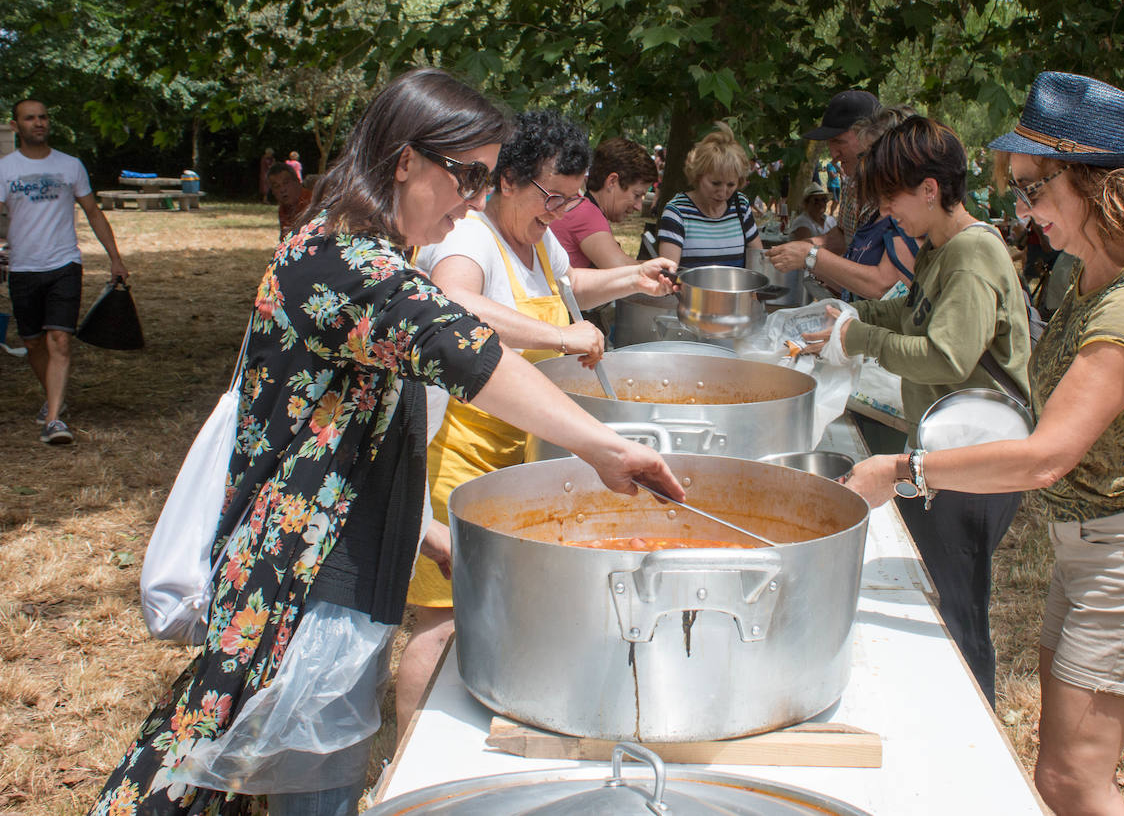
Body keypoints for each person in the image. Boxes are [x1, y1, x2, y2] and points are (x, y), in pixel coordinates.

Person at [90, 71, 683, 816]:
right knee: (222, 786)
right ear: (406, 160)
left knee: (247, 781)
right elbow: (463, 348)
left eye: (485, 180)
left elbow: (351, 434)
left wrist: (424, 531)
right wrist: (606, 448)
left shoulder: (367, 255)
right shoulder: (343, 262)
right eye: (467, 177)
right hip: (303, 585)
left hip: (335, 565)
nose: (473, 200)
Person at [845, 72, 1124, 815]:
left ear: (1093, 182)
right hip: (1094, 545)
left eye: (1034, 190)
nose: (1023, 210)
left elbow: (1047, 453)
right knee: (1059, 771)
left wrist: (904, 467)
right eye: (1018, 191)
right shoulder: (1093, 272)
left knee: (1072, 780)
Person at [395, 111, 677, 733]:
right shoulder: (467, 237)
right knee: (441, 621)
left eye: (574, 198)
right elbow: (454, 306)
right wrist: (557, 335)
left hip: (511, 453)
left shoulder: (538, 237)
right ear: (507, 180)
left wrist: (633, 276)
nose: (562, 210)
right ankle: (408, 759)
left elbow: (569, 283)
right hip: (453, 453)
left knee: (487, 609)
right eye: (553, 196)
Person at [804, 114, 1030, 705]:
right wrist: (852, 321)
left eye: (892, 199)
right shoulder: (939, 249)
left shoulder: (971, 255)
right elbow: (911, 317)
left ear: (930, 190)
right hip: (944, 450)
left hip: (974, 462)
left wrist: (858, 340)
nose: (886, 215)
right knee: (942, 588)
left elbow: (946, 357)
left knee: (958, 604)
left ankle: (975, 718)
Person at [2, 98, 129, 446]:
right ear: (16, 126)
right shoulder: (5, 169)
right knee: (32, 342)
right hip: (23, 268)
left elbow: (93, 212)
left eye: (43, 117)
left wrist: (115, 258)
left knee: (59, 338)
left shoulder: (70, 165)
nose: (38, 123)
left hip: (64, 265)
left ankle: (54, 420)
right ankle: (53, 397)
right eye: (30, 118)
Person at [768, 105, 920, 301]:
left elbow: (885, 287)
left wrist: (811, 256)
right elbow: (853, 272)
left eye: (868, 156)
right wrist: (808, 256)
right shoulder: (874, 209)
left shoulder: (910, 213)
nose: (833, 154)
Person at [654, 121, 761, 269]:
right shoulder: (677, 211)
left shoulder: (740, 206)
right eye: (715, 183)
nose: (723, 192)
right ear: (698, 176)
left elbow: (758, 258)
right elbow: (669, 272)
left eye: (731, 185)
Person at [551, 137, 658, 269]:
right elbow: (623, 271)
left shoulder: (577, 204)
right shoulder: (587, 214)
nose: (638, 206)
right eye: (636, 195)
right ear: (612, 181)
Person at [802, 89, 879, 242]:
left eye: (839, 142)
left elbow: (886, 266)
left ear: (870, 137)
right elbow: (843, 235)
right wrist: (806, 246)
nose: (833, 154)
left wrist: (812, 255)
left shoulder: (899, 191)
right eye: (829, 143)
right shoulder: (851, 185)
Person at [268, 161, 313, 238]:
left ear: (298, 182)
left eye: (286, 183)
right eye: (276, 186)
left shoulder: (313, 203)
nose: (282, 189)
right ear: (272, 192)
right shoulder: (283, 209)